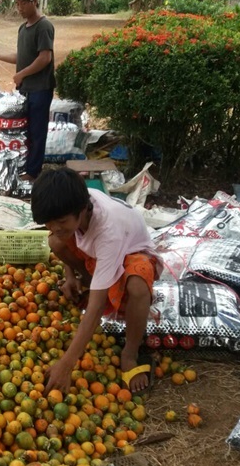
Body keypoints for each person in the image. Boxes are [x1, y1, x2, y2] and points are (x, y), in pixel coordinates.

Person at [31, 168, 160, 394]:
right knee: (56, 242)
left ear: (82, 210)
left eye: (61, 221)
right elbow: (62, 234)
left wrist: (66, 363)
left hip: (132, 252)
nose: (54, 228)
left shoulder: (108, 232)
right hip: (97, 254)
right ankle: (92, 280)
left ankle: (130, 353)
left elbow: (97, 307)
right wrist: (70, 275)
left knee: (138, 283)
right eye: (49, 223)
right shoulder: (75, 200)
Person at [0, 0, 55, 181]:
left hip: (40, 88)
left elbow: (45, 58)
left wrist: (21, 74)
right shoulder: (23, 28)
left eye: (24, 2)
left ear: (35, 2)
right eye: (18, 3)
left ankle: (33, 172)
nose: (20, 7)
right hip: (25, 89)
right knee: (24, 130)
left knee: (37, 132)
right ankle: (24, 165)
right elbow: (22, 56)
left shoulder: (44, 26)